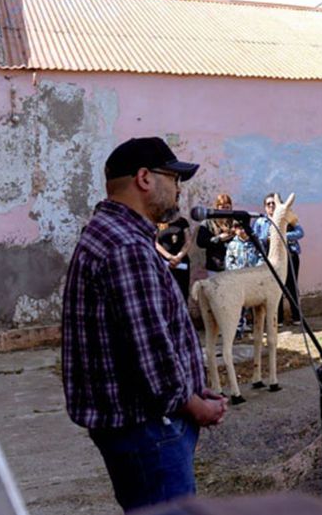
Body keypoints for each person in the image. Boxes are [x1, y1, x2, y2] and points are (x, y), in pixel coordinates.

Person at [62, 137, 227, 513]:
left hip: (145, 426)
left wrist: (194, 387)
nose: (178, 189)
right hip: (150, 430)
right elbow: (150, 349)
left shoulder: (114, 234)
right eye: (173, 178)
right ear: (144, 178)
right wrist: (194, 405)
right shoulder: (126, 247)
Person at [254, 193, 305, 326]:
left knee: (291, 286)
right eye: (268, 204)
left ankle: (296, 316)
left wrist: (282, 234)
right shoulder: (261, 222)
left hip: (290, 256)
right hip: (270, 258)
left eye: (273, 203)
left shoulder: (287, 218)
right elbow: (256, 238)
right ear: (265, 207)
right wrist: (267, 238)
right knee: (276, 288)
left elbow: (300, 232)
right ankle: (279, 318)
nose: (271, 206)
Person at [195, 193, 233, 277]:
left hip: (233, 265)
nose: (225, 210)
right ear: (217, 207)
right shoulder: (208, 222)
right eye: (222, 207)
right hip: (215, 265)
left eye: (227, 207)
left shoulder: (234, 221)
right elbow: (200, 242)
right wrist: (218, 238)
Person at [155, 216, 192, 302]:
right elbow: (155, 243)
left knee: (183, 291)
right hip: (164, 263)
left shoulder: (182, 221)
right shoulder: (158, 221)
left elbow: (188, 241)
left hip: (181, 261)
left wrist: (179, 256)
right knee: (166, 292)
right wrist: (169, 257)